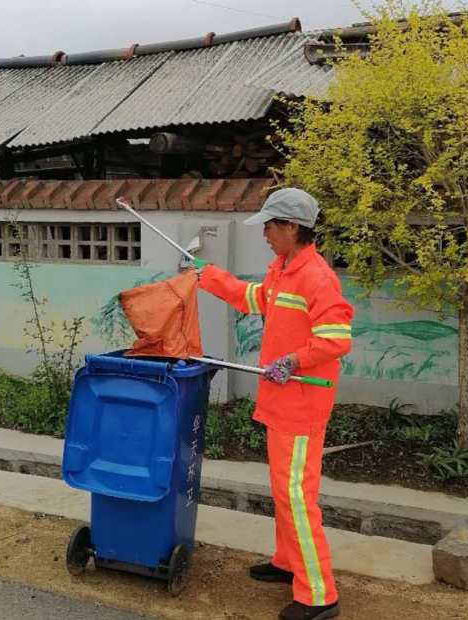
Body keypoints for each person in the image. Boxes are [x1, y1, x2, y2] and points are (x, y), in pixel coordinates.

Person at [195, 188, 353, 620]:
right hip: (281, 401)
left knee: (296, 496)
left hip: (301, 404)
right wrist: (208, 276)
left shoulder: (317, 277)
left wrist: (294, 360)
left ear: (292, 228)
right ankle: (288, 562)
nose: (264, 234)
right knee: (285, 491)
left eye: (270, 226)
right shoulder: (282, 270)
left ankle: (319, 595)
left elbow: (337, 339)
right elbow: (254, 299)